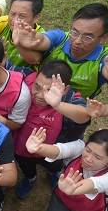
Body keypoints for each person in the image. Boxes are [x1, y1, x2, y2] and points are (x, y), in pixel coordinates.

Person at [14, 60, 90, 199]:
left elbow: (84, 115)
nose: (39, 95)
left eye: (49, 90)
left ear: (65, 89)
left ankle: (53, 174)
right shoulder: (24, 78)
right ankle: (30, 179)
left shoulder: (70, 98)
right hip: (22, 148)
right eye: (37, 86)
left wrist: (57, 104)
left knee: (53, 166)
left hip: (51, 150)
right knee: (26, 166)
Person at [26, 129, 108, 211]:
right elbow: (60, 150)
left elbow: (97, 183)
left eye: (97, 157)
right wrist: (38, 148)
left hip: (102, 206)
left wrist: (76, 189)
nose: (88, 158)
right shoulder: (80, 147)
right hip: (65, 198)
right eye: (88, 150)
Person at [13, 3, 108, 99]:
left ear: (104, 38)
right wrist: (31, 38)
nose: (77, 41)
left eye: (87, 37)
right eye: (74, 32)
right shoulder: (60, 38)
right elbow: (42, 39)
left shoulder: (103, 59)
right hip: (38, 99)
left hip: (70, 110)